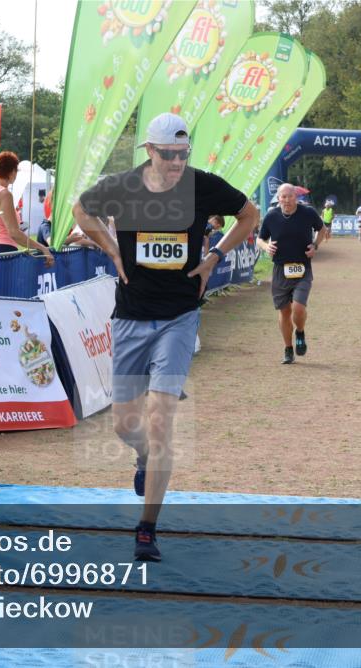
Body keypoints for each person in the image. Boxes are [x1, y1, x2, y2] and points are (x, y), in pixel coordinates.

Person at [72, 112, 259, 561]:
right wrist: (111, 248)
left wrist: (214, 256)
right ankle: (142, 459)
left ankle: (146, 528)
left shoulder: (202, 184)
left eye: (183, 154)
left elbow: (249, 214)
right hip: (132, 316)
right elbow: (81, 209)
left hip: (179, 317)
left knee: (160, 420)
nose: (177, 162)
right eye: (169, 154)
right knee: (124, 424)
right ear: (149, 152)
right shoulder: (123, 185)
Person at [257, 183, 326, 365]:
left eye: (290, 196)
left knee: (298, 307)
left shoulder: (308, 213)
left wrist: (315, 245)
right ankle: (288, 349)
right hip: (280, 269)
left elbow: (322, 229)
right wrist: (266, 247)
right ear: (278, 198)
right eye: (283, 197)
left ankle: (300, 332)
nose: (287, 200)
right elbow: (260, 239)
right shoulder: (271, 216)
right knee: (284, 311)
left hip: (302, 268)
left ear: (296, 197)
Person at [0, 151, 55, 265]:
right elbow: (14, 233)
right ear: (12, 172)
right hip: (3, 251)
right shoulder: (4, 194)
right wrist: (42, 247)